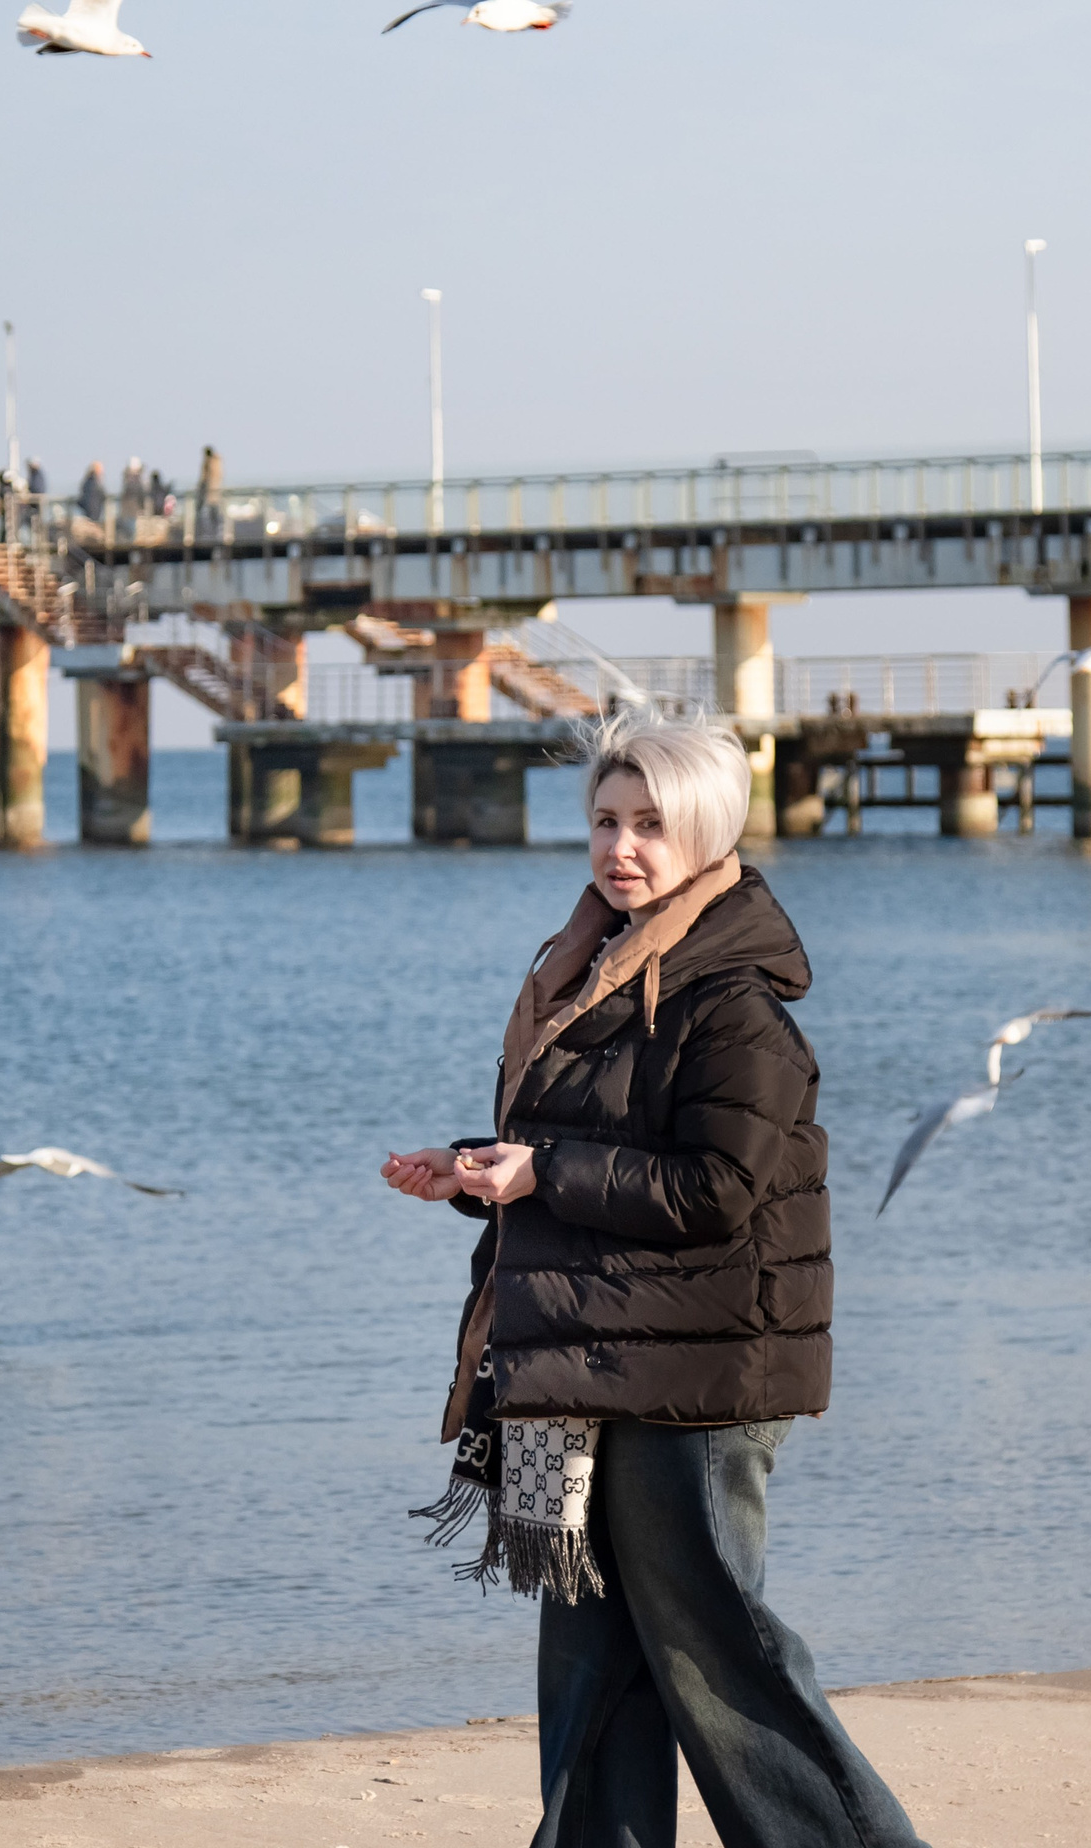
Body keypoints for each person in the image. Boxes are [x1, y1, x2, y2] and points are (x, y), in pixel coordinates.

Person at [382, 708, 926, 1848]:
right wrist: (478, 1168)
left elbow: (714, 1190)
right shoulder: (586, 979)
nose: (620, 848)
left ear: (709, 834)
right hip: (572, 1365)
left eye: (649, 825)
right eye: (604, 822)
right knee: (587, 1659)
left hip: (701, 1379)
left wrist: (547, 1170)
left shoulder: (736, 1005)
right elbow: (576, 1152)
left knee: (718, 1653)